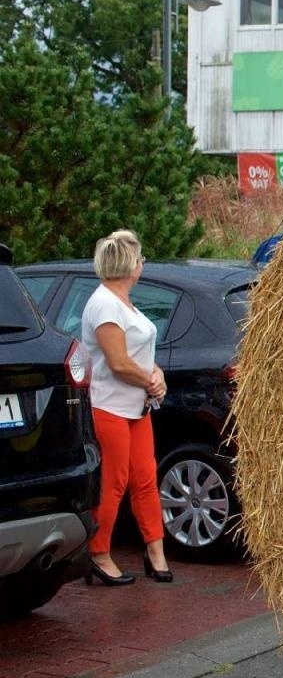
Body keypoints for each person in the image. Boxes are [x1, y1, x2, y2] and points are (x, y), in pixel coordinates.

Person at [81, 230, 172, 585]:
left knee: (145, 479)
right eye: (140, 258)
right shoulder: (104, 304)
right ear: (129, 265)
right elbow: (118, 362)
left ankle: (156, 552)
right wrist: (150, 381)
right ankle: (99, 553)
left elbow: (138, 353)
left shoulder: (124, 303)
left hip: (137, 407)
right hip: (110, 407)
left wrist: (156, 374)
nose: (142, 264)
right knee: (114, 482)